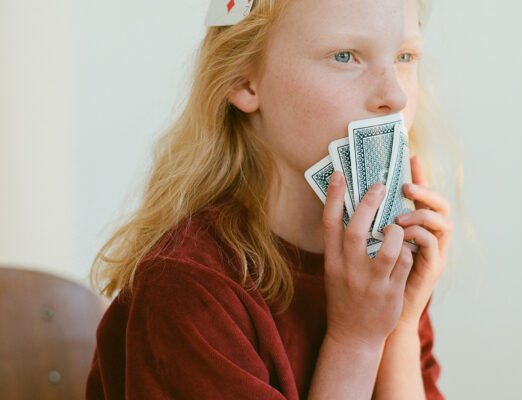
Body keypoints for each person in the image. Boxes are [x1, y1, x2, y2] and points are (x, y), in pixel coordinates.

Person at [86, 0, 453, 398]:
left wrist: (399, 326)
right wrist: (357, 342)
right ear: (244, 82)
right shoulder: (187, 288)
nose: (394, 96)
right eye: (345, 56)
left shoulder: (380, 260)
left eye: (405, 56)